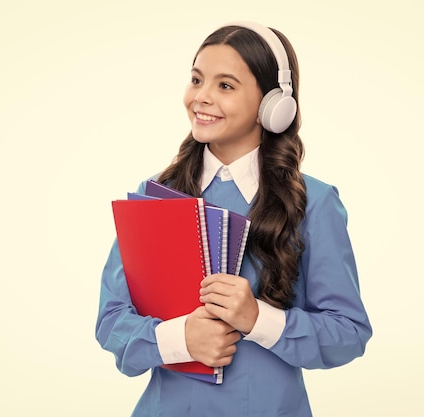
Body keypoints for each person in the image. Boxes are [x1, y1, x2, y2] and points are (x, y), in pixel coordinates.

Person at [95, 21, 372, 416]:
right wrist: (180, 339)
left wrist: (259, 319)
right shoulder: (157, 192)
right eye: (196, 79)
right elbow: (111, 320)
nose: (201, 97)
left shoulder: (314, 203)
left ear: (273, 105)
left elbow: (348, 333)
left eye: (225, 86)